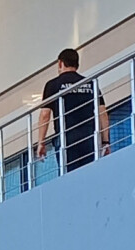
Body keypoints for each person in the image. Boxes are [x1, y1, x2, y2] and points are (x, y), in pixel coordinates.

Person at [37, 45, 108, 173]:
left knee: (69, 176)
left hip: (66, 137)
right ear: (77, 64)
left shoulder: (53, 85)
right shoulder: (90, 83)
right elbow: (102, 112)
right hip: (89, 137)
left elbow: (45, 115)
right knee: (89, 174)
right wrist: (105, 141)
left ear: (60, 63)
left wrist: (41, 142)